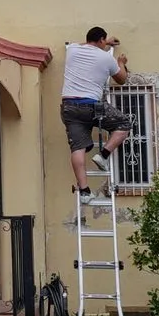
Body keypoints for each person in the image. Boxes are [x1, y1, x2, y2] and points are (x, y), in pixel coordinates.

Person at [60, 26, 132, 204]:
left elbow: (86, 43)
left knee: (77, 148)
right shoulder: (106, 58)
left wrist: (104, 42)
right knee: (124, 124)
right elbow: (122, 79)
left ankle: (84, 192)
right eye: (104, 40)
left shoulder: (73, 50)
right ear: (101, 39)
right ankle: (103, 155)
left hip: (68, 106)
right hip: (91, 106)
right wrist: (121, 62)